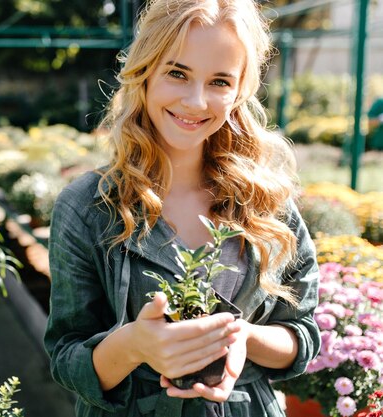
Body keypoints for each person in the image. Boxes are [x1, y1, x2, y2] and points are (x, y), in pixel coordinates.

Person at [44, 0, 321, 416]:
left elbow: (303, 334)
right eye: (178, 73)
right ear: (146, 73)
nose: (195, 101)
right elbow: (67, 358)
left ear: (240, 91)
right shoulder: (88, 205)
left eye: (219, 82)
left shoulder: (266, 201)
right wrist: (135, 344)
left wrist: (243, 338)